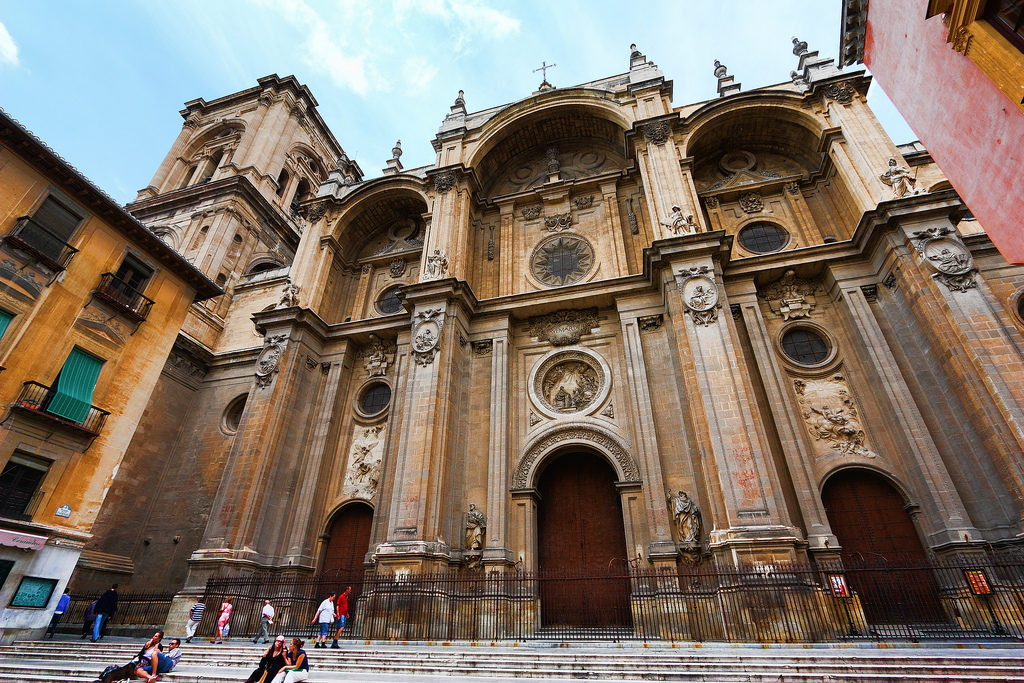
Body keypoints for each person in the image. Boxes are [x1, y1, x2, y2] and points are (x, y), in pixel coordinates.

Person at [93, 630, 162, 683]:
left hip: (145, 663)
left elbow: (158, 655)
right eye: (154, 635)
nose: (153, 637)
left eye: (156, 636)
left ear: (159, 638)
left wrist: (156, 647)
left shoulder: (159, 646)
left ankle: (105, 680)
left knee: (124, 671)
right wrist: (145, 647)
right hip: (137, 661)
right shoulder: (149, 644)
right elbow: (140, 654)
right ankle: (105, 680)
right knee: (119, 670)